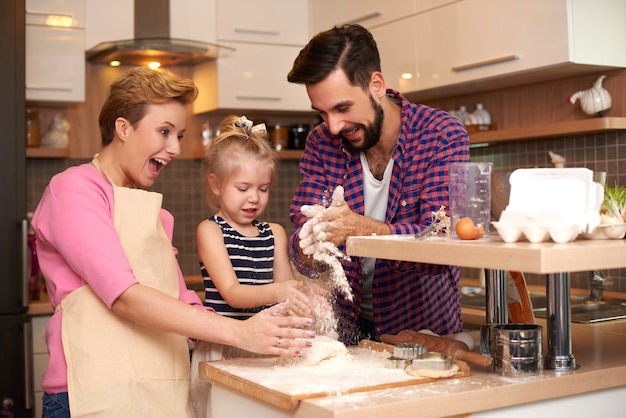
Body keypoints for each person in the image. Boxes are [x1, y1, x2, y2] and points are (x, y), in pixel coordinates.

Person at [31, 67, 314, 418]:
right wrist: (240, 333)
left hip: (155, 393)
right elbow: (124, 295)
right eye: (164, 132)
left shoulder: (153, 213)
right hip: (89, 392)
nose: (176, 148)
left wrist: (259, 335)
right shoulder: (74, 190)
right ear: (123, 128)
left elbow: (181, 301)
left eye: (179, 135)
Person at [286, 24, 470, 345]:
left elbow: (439, 244)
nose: (332, 127)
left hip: (422, 331)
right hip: (347, 332)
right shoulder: (321, 142)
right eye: (322, 113)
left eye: (343, 108)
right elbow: (301, 243)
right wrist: (309, 244)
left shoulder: (442, 135)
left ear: (377, 85)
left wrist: (359, 228)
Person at [190, 115, 323, 417]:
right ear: (215, 184)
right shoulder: (210, 231)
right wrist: (281, 291)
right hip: (223, 348)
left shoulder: (274, 233)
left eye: (263, 189)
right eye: (243, 188)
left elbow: (286, 293)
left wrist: (308, 294)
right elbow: (232, 294)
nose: (254, 198)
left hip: (265, 346)